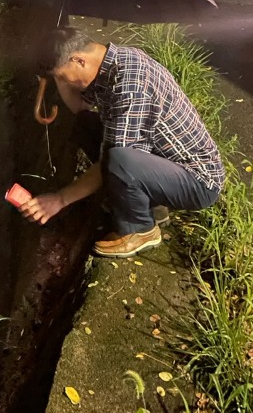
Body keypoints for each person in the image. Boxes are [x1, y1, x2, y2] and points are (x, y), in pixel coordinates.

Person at [19, 27, 224, 258]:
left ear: (79, 60)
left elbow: (114, 159)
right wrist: (60, 77)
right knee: (86, 124)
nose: (69, 83)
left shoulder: (130, 84)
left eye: (66, 77)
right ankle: (151, 204)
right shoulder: (109, 65)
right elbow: (80, 109)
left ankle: (141, 229)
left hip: (198, 181)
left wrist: (60, 199)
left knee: (119, 159)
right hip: (162, 163)